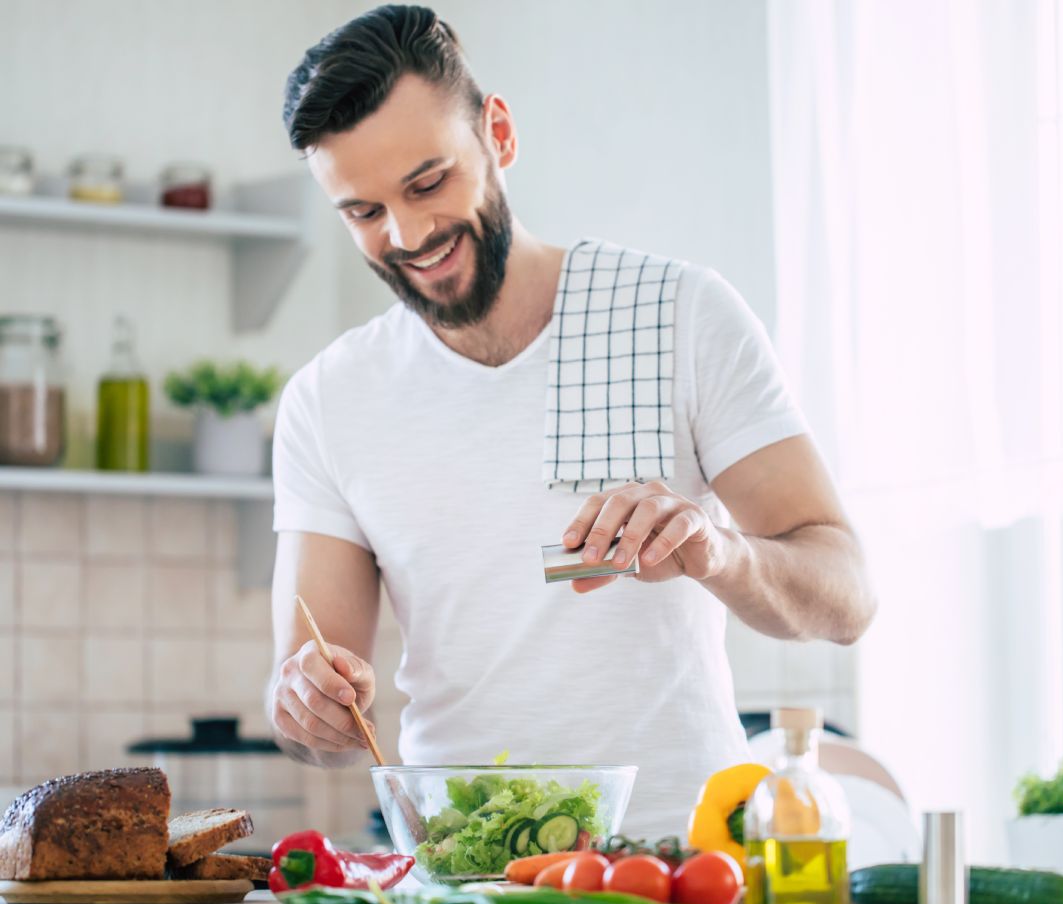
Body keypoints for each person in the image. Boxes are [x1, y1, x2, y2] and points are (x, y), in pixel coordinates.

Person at [267, 4, 876, 837]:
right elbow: (317, 712)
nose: (407, 235)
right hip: (459, 862)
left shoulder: (679, 315)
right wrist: (305, 705)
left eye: (427, 182)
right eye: (363, 213)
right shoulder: (328, 399)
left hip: (677, 859)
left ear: (499, 135)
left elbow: (845, 599)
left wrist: (716, 550)